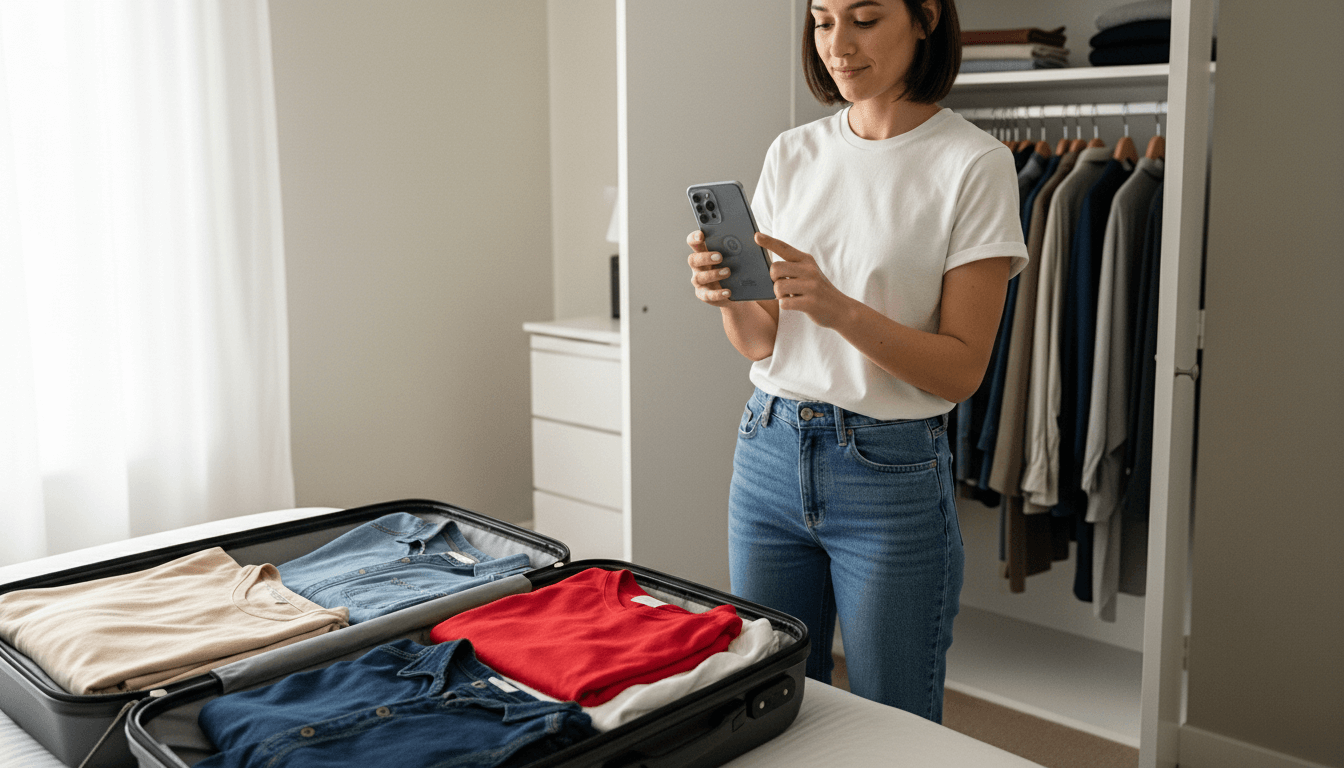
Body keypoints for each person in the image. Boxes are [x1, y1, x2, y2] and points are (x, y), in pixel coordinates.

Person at [685, 0, 1026, 722]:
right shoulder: (792, 152)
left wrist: (839, 308)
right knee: (767, 703)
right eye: (822, 19)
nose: (838, 44)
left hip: (890, 474)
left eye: (865, 18)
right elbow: (762, 342)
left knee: (893, 717)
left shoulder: (975, 165)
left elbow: (962, 370)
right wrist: (724, 294)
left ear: (926, 18)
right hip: (768, 452)